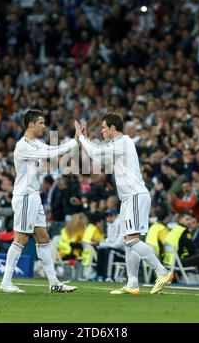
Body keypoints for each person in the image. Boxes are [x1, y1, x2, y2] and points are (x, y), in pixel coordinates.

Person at [75, 113, 173, 295]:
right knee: (128, 242)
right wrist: (86, 140)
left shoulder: (123, 142)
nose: (102, 130)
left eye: (104, 127)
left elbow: (95, 152)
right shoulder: (115, 145)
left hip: (135, 196)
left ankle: (162, 272)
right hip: (128, 198)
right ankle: (132, 284)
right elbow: (97, 159)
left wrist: (81, 137)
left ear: (113, 128)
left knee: (132, 240)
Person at [0, 109, 78, 293]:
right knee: (21, 238)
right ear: (30, 124)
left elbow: (52, 150)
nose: (44, 126)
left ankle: (54, 283)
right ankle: (5, 282)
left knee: (43, 238)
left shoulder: (37, 143)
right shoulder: (23, 146)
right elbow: (53, 153)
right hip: (25, 195)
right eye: (41, 123)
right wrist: (75, 141)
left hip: (34, 196)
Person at [94, 209, 125, 282]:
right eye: (107, 216)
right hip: (116, 250)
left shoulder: (121, 224)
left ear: (116, 216)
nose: (108, 217)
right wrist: (100, 244)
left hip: (126, 253)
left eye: (111, 215)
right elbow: (109, 241)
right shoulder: (110, 226)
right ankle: (100, 275)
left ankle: (109, 277)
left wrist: (102, 244)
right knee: (101, 250)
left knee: (110, 251)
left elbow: (119, 244)